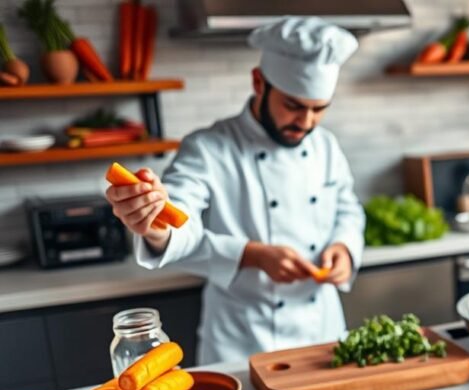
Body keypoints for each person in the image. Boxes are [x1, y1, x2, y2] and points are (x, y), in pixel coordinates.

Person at [104, 17, 365, 364]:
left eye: (319, 109)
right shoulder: (208, 148)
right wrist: (156, 224)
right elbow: (183, 224)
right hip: (244, 343)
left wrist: (344, 249)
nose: (306, 123)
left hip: (325, 335)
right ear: (259, 82)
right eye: (293, 105)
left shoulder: (325, 146)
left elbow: (349, 209)